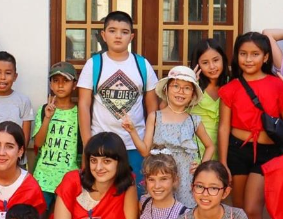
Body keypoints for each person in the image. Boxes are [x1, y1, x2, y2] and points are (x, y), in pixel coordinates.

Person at [218, 32, 283, 219]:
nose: (248, 59)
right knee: (238, 210)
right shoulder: (230, 88)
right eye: (243, 53)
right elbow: (224, 127)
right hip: (237, 150)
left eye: (255, 54)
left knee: (252, 210)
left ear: (265, 57)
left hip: (267, 152)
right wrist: (223, 162)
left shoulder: (277, 84)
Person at [77, 11, 159, 187]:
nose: (118, 36)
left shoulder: (142, 65)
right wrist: (87, 145)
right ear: (103, 35)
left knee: (135, 192)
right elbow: (83, 105)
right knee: (102, 194)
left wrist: (149, 142)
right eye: (112, 31)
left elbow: (152, 108)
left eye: (124, 32)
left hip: (135, 145)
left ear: (131, 37)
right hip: (100, 145)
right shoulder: (94, 64)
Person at [122, 66, 214, 208]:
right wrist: (132, 131)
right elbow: (145, 151)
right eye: (176, 86)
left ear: (193, 94)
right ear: (166, 90)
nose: (181, 91)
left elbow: (210, 146)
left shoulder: (194, 120)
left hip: (185, 176)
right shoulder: (155, 116)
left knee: (185, 211)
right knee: (161, 209)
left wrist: (202, 166)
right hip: (160, 175)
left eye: (187, 88)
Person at [32, 61, 80, 212]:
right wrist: (48, 117)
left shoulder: (80, 113)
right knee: (38, 217)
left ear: (74, 85)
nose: (60, 85)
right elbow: (38, 143)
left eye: (65, 81)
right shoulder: (43, 110)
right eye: (56, 80)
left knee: (65, 218)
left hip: (69, 177)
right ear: (50, 85)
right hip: (43, 177)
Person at [190, 38, 230, 160]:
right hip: (194, 152)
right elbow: (164, 107)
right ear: (197, 65)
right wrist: (188, 83)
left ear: (223, 59)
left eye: (216, 60)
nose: (212, 66)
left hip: (224, 152)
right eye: (205, 62)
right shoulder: (192, 86)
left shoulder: (231, 85)